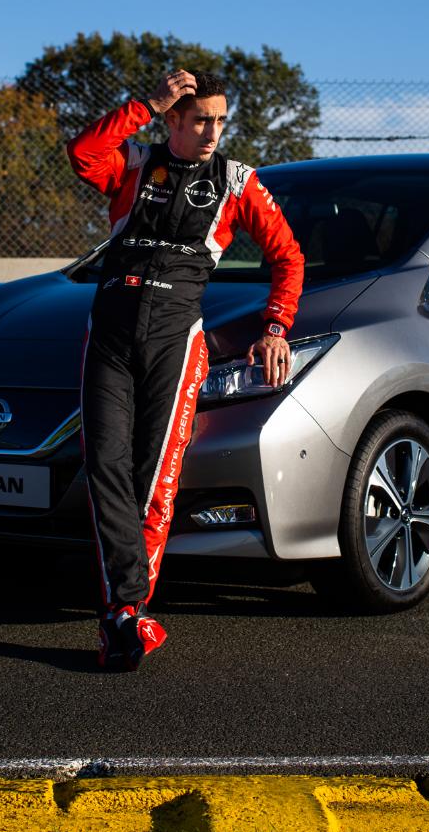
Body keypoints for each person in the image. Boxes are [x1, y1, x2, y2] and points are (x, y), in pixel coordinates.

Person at [67, 69, 304, 671]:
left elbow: (288, 255)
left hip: (176, 339)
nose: (213, 132)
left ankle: (123, 611)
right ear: (173, 118)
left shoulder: (237, 182)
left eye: (221, 121)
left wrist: (276, 327)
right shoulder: (134, 164)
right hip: (110, 335)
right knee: (104, 467)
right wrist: (146, 102)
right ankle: (127, 610)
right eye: (201, 119)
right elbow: (83, 152)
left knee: (152, 481)